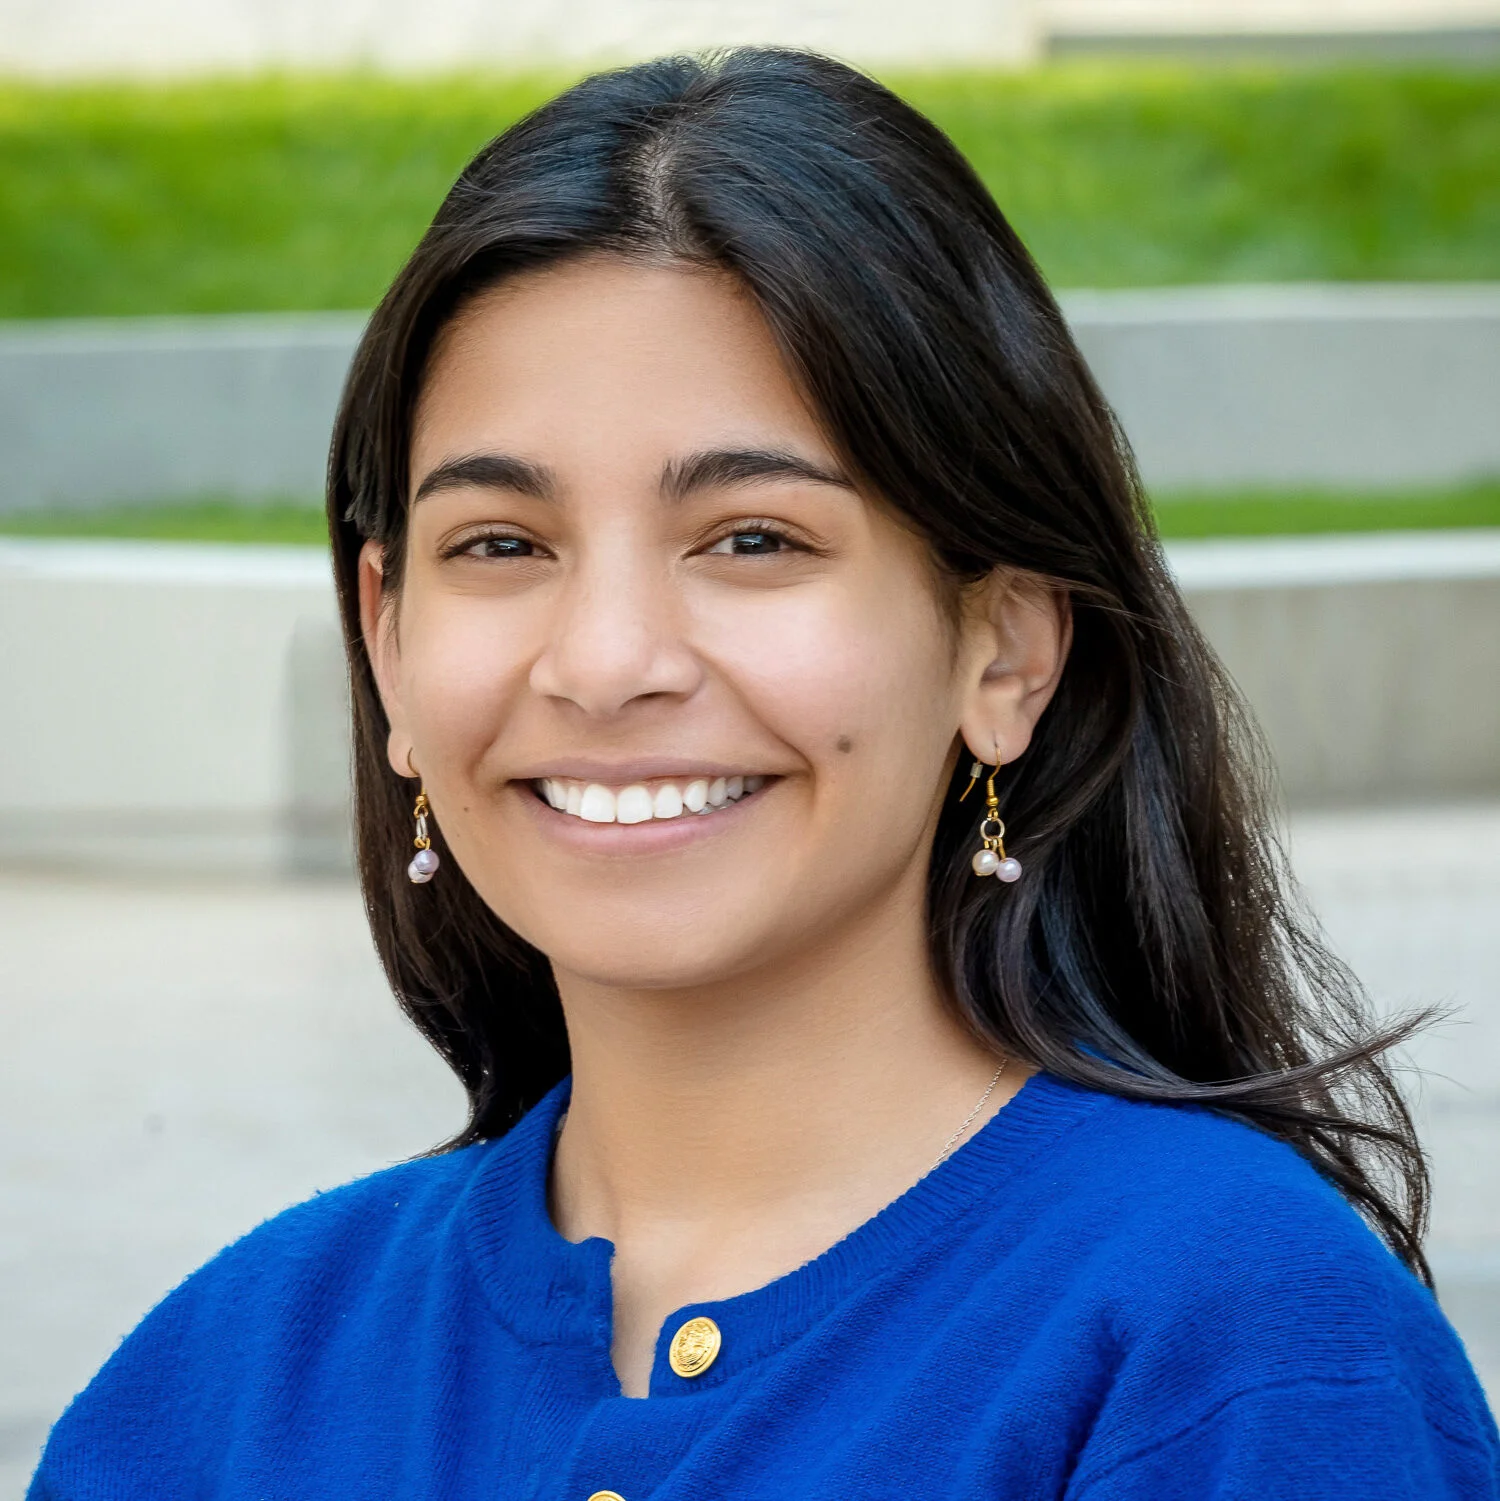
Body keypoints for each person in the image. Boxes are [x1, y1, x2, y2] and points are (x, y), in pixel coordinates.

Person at [30, 46, 1498, 1500]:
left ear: (1004, 652)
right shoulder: (217, 1386)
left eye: (753, 539)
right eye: (502, 546)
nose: (604, 662)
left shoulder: (1235, 1351)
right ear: (390, 640)